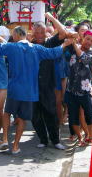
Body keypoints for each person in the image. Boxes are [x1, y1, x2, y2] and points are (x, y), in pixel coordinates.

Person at [0, 25, 73, 154]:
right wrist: (65, 44)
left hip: (14, 89)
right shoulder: (36, 48)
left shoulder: (12, 47)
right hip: (30, 91)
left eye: (13, 35)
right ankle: (16, 146)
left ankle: (5, 139)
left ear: (17, 35)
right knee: (23, 119)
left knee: (7, 113)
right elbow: (53, 53)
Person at [31, 13, 77, 149]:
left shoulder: (50, 43)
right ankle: (43, 140)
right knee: (35, 115)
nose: (39, 34)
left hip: (48, 84)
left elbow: (63, 32)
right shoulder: (28, 45)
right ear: (33, 32)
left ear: (46, 32)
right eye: (37, 32)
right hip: (32, 85)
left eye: (42, 32)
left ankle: (55, 140)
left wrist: (51, 18)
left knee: (51, 112)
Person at [66, 30, 92, 146]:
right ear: (83, 37)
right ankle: (80, 138)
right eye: (88, 39)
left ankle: (90, 136)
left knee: (89, 116)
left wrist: (74, 44)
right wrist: (71, 36)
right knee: (73, 118)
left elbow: (84, 58)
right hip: (71, 90)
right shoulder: (73, 48)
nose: (89, 42)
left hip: (85, 91)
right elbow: (64, 40)